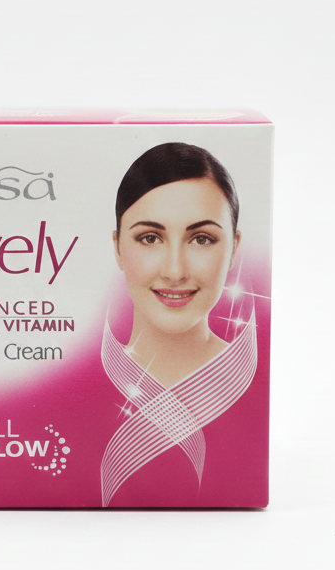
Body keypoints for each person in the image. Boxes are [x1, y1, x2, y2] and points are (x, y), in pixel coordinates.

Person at [100, 142, 258, 506]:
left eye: (201, 239)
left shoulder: (251, 382)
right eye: (150, 238)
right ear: (118, 247)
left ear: (234, 248)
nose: (174, 271)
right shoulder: (82, 382)